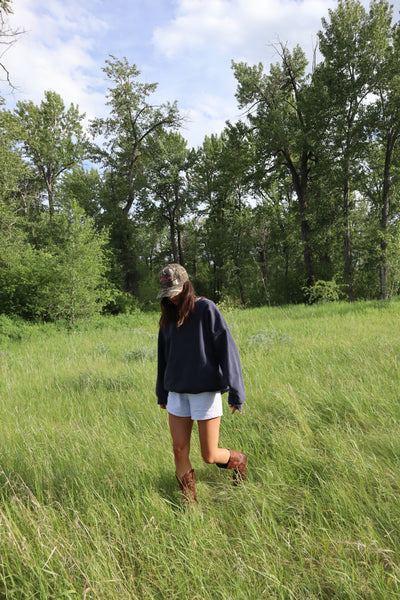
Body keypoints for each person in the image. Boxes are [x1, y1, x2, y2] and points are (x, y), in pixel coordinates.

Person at [156, 263, 247, 505]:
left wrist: (236, 392)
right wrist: (161, 393)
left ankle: (240, 461)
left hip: (204, 391)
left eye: (174, 292)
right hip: (176, 392)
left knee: (209, 455)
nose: (171, 299)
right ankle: (190, 506)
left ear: (185, 286)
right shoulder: (167, 317)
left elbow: (226, 349)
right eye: (167, 294)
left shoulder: (206, 309)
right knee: (178, 450)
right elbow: (163, 357)